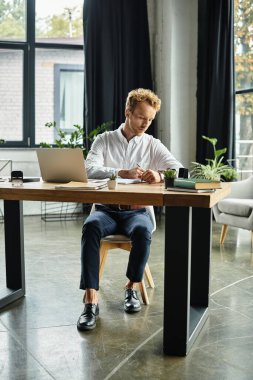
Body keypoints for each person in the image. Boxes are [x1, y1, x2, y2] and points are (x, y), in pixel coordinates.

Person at [77, 88, 182, 331]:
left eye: (150, 119)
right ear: (128, 112)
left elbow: (178, 169)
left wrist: (159, 174)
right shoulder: (104, 140)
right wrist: (119, 172)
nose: (146, 123)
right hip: (105, 210)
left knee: (143, 232)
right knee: (91, 226)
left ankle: (131, 287)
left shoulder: (152, 145)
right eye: (141, 117)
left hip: (137, 211)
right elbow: (88, 168)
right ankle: (91, 297)